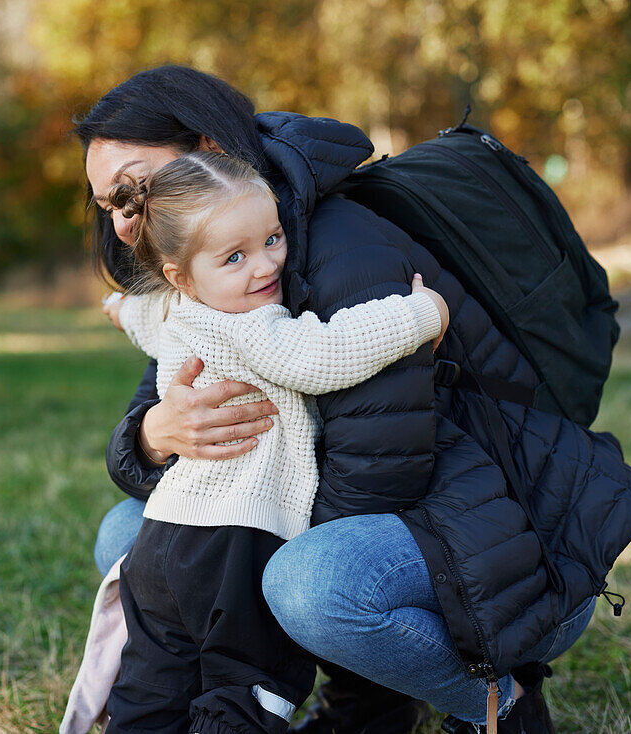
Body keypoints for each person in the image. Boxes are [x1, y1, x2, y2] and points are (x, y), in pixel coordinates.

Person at [77, 65, 631, 734]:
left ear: (209, 151)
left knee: (301, 582)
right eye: (110, 204)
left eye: (136, 191)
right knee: (130, 535)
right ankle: (363, 707)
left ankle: (500, 703)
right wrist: (154, 434)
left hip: (491, 529)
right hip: (392, 528)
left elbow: (384, 469)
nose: (126, 223)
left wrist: (420, 314)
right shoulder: (200, 282)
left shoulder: (337, 246)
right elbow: (143, 442)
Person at [97, 151, 448, 734]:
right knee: (247, 687)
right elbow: (326, 353)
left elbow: (145, 318)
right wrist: (420, 313)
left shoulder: (176, 311)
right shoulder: (257, 327)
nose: (265, 266)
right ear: (179, 275)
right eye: (235, 257)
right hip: (234, 544)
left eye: (273, 238)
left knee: (153, 687)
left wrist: (118, 308)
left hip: (161, 542)